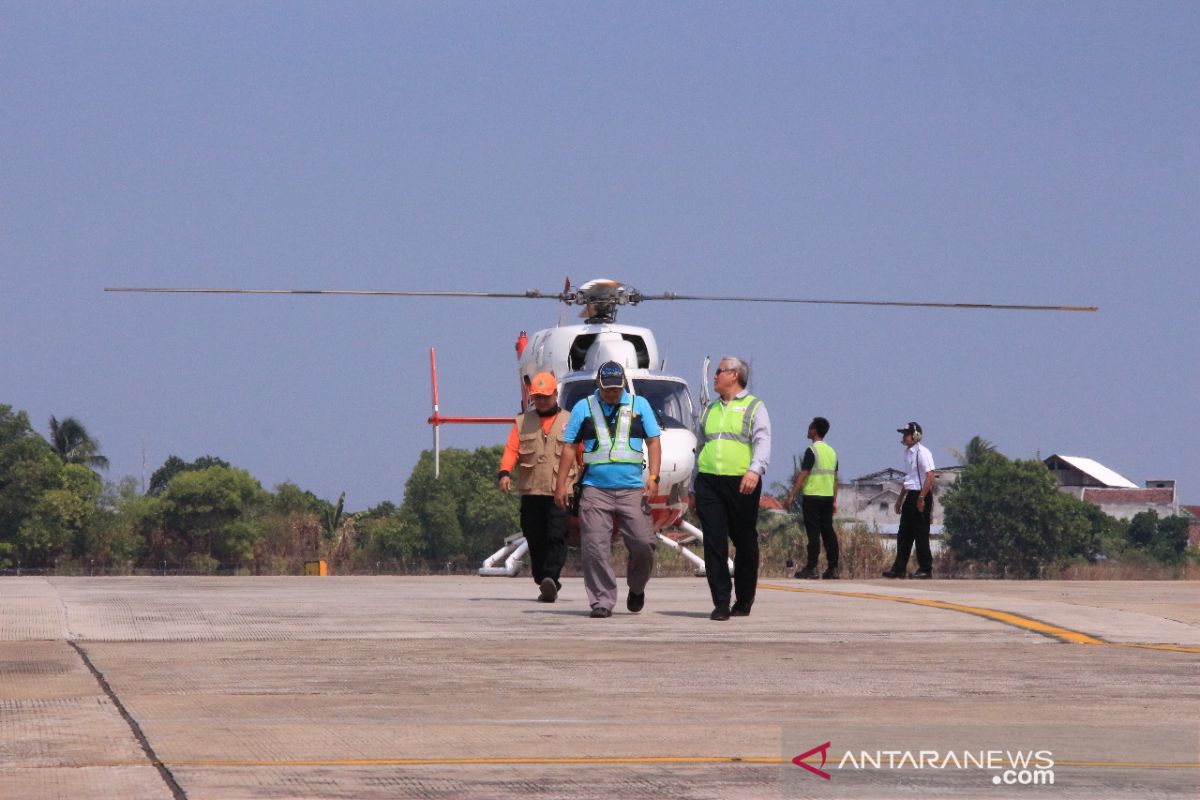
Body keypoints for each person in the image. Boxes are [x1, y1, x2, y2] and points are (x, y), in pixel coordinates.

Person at [553, 361, 661, 619]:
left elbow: (654, 441)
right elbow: (569, 447)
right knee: (594, 547)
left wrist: (654, 477)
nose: (612, 394)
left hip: (632, 489)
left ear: (623, 385)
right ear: (598, 386)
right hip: (594, 489)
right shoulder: (583, 408)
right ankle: (602, 600)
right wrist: (560, 485)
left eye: (616, 389)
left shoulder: (639, 406)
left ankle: (636, 587)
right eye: (607, 390)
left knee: (643, 543)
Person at [689, 356, 771, 621]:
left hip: (742, 484)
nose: (715, 377)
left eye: (719, 372)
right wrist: (692, 487)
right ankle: (721, 601)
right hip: (709, 482)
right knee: (714, 542)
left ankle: (744, 599)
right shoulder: (709, 410)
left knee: (745, 541)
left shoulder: (754, 406)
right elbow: (699, 448)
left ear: (734, 375)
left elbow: (762, 441)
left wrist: (754, 470)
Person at [497, 372, 575, 603]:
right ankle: (542, 579)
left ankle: (551, 577)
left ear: (555, 394)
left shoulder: (571, 421)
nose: (541, 401)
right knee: (534, 535)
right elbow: (512, 449)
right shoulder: (522, 422)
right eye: (537, 397)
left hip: (560, 490)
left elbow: (579, 452)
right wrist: (504, 473)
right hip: (531, 490)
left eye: (545, 396)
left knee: (556, 535)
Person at [783, 416, 839, 579]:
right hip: (828, 497)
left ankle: (812, 568)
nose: (808, 430)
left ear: (814, 430)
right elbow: (835, 479)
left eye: (810, 427)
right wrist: (835, 500)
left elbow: (804, 474)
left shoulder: (812, 451)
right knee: (828, 532)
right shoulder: (832, 452)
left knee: (813, 533)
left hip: (813, 496)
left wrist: (792, 495)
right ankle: (833, 568)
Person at [884, 421, 936, 579]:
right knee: (904, 534)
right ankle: (899, 568)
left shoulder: (923, 452)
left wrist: (921, 498)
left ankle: (926, 568)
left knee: (921, 534)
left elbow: (930, 476)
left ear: (916, 436)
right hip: (910, 494)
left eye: (907, 434)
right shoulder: (908, 453)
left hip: (921, 494)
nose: (904, 437)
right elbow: (909, 479)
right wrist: (900, 499)